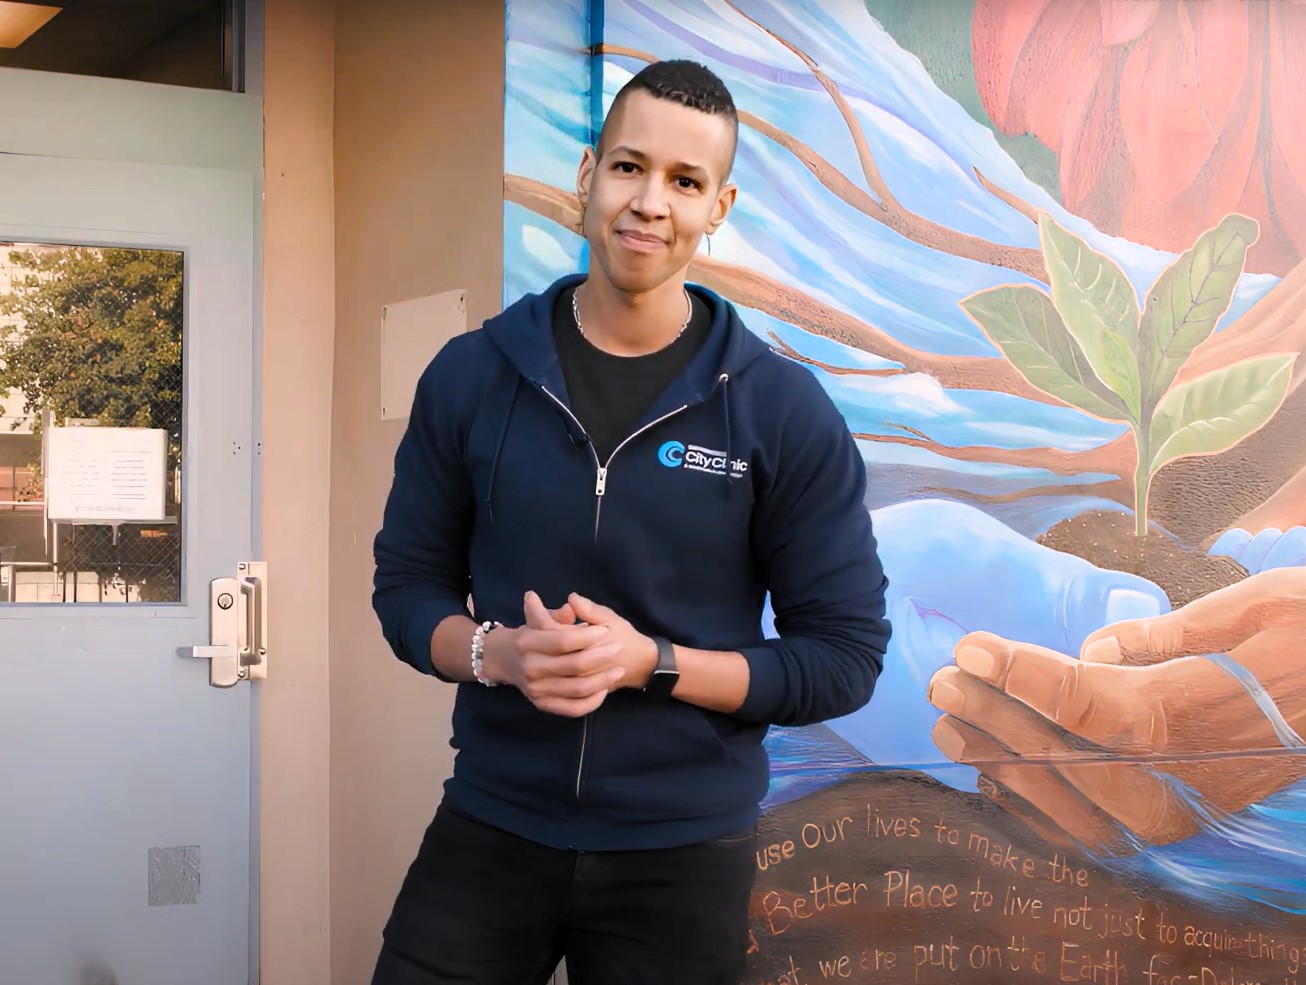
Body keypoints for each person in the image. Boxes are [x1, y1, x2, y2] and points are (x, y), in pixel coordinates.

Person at [370, 59, 891, 985]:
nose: (651, 202)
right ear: (586, 174)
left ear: (718, 206)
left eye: (685, 183)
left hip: (682, 853)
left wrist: (651, 663)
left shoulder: (780, 410)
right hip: (492, 823)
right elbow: (405, 591)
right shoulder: (471, 376)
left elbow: (843, 657)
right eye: (629, 167)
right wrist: (496, 653)